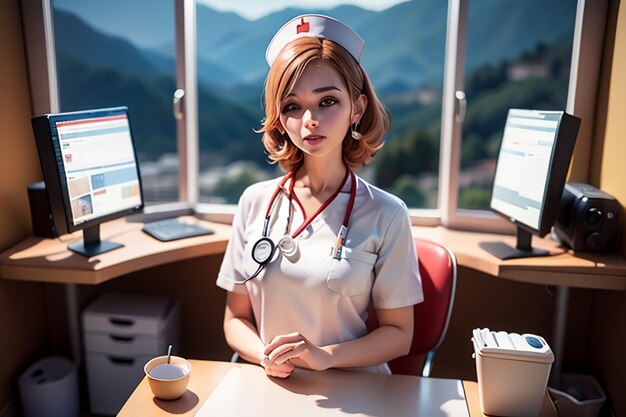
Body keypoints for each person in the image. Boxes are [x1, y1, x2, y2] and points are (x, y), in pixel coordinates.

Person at [216, 14, 423, 378]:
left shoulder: (387, 214)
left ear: (356, 109)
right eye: (293, 106)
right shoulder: (254, 202)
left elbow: (399, 335)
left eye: (327, 101)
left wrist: (325, 356)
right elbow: (235, 318)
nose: (309, 119)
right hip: (274, 383)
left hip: (356, 388)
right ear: (279, 119)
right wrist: (265, 357)